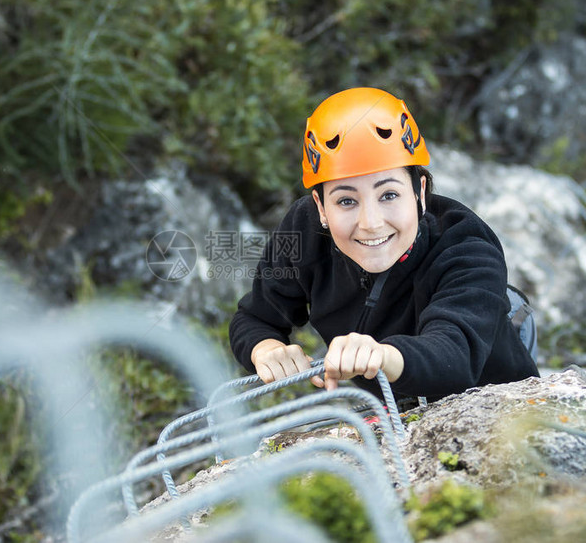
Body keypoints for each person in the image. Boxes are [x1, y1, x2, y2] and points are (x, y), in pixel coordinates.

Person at [228, 87, 540, 402]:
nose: (371, 222)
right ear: (321, 208)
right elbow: (255, 316)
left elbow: (454, 355)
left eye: (389, 195)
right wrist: (265, 348)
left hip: (497, 399)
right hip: (395, 404)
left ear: (419, 193)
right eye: (346, 201)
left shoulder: (466, 246)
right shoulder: (302, 230)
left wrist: (383, 356)